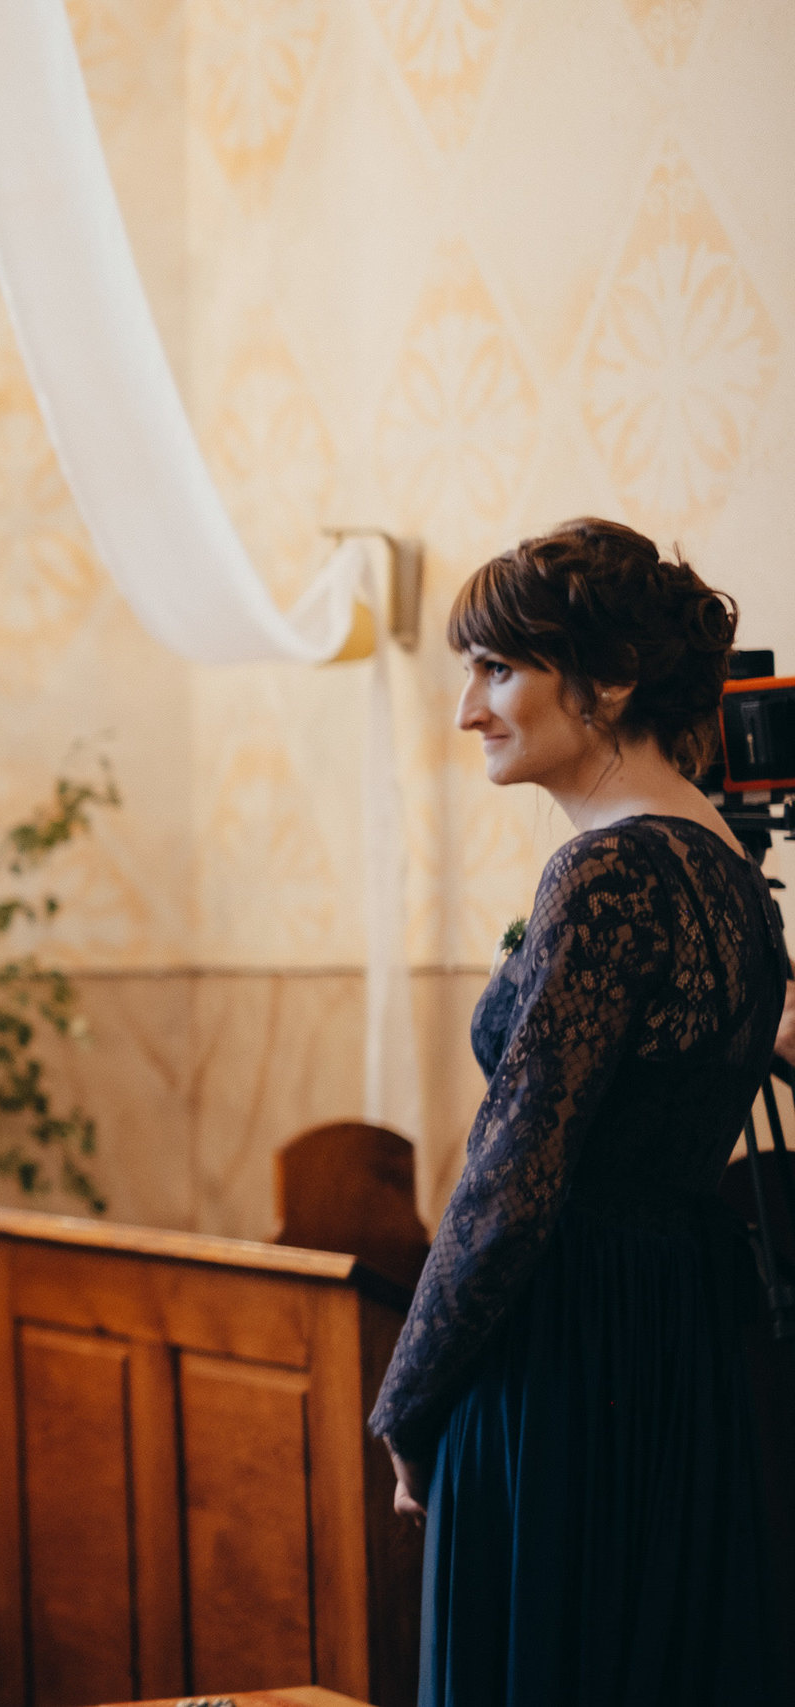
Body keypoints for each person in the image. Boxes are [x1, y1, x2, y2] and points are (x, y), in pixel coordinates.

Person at [368, 519, 791, 1705]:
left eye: (497, 669)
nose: (467, 710)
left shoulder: (606, 874)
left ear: (604, 684)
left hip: (569, 1348)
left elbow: (513, 1176)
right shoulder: (726, 871)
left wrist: (411, 1398)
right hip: (678, 1337)